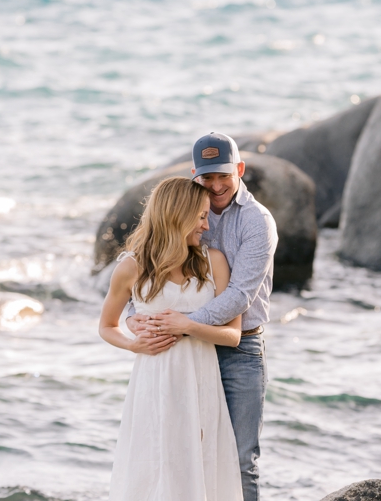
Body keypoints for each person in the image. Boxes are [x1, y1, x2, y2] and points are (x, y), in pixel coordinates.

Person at [129, 132, 278, 501]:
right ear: (195, 174)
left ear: (239, 170)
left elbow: (240, 296)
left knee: (241, 459)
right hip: (186, 353)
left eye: (223, 176)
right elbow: (152, 267)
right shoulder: (185, 213)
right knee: (186, 454)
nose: (215, 186)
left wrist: (184, 325)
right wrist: (136, 318)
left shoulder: (257, 221)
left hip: (239, 349)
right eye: (207, 177)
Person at [99, 176, 244, 500]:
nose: (206, 226)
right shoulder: (131, 267)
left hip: (201, 380)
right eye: (201, 216)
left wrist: (188, 325)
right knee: (158, 467)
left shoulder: (214, 262)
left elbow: (233, 335)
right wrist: (132, 343)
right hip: (155, 381)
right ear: (177, 214)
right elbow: (107, 325)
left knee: (202, 465)